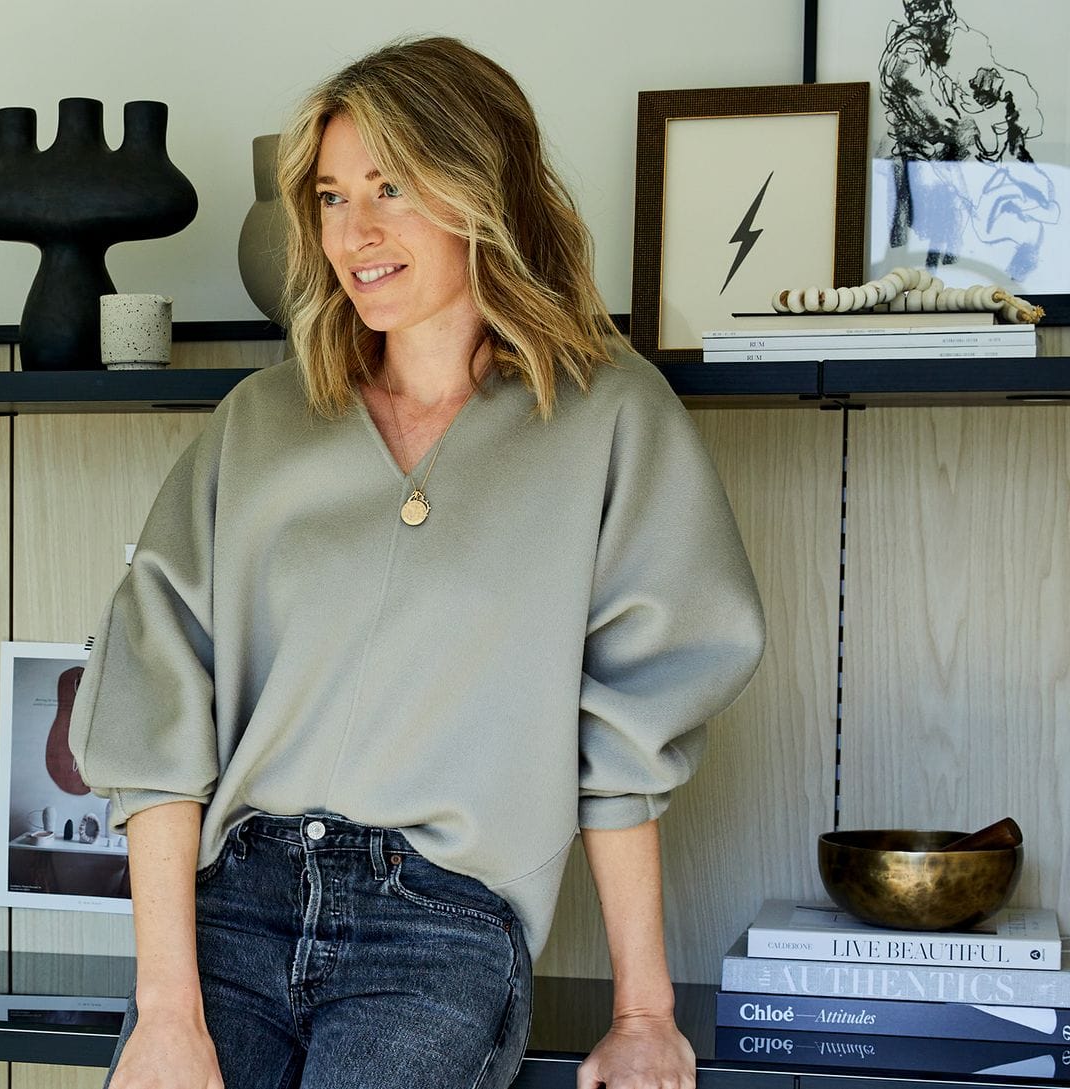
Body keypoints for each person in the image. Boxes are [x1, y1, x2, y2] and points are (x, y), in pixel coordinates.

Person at [66, 36, 766, 1089]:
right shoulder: (257, 422)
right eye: (332, 196)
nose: (355, 232)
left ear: (480, 187)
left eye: (390, 187)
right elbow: (153, 719)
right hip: (231, 910)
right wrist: (165, 1012)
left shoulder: (610, 418)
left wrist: (642, 1010)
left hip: (436, 927)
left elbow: (625, 737)